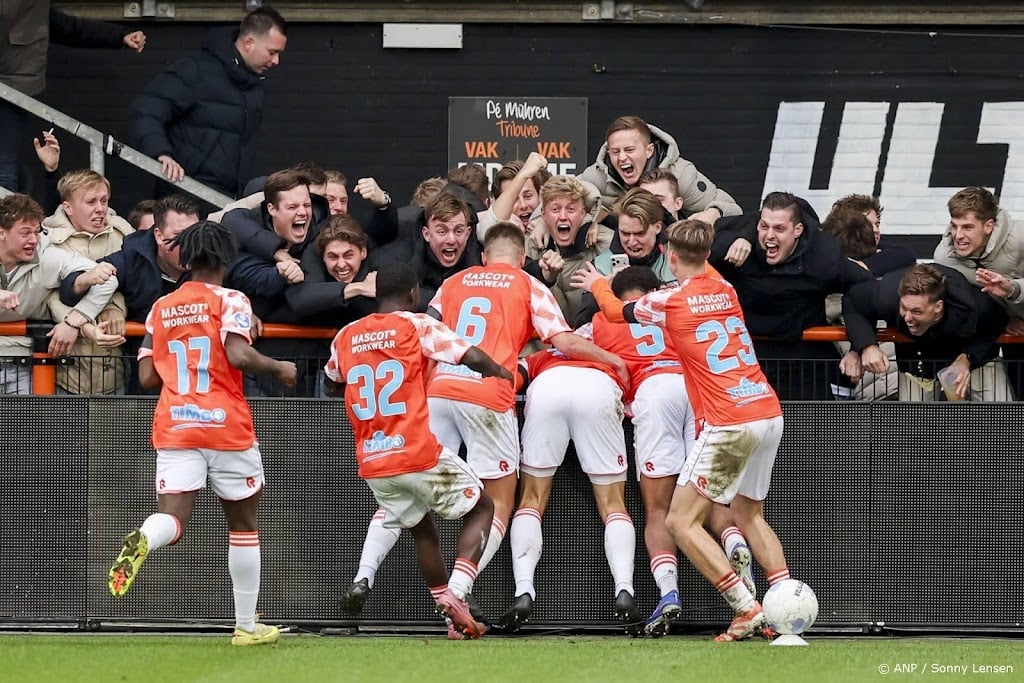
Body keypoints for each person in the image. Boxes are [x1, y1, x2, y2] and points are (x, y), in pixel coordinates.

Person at [339, 222, 627, 623]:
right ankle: (458, 590)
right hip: (486, 395)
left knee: (404, 495)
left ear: (485, 256)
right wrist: (611, 359)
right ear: (521, 258)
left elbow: (421, 326)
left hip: (437, 393)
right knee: (499, 503)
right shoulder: (528, 284)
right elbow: (561, 340)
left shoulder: (453, 282)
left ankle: (364, 575)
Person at [573, 219, 794, 643]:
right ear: (707, 257)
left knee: (679, 520)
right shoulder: (725, 290)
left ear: (670, 257)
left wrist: (602, 281)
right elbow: (700, 268)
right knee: (748, 513)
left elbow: (616, 311)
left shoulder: (668, 300)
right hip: (767, 410)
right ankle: (787, 604)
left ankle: (747, 607)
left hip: (729, 418)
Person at [106, 220, 297, 648]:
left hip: (175, 424)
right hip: (226, 425)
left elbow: (147, 376)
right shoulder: (232, 299)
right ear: (226, 259)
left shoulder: (160, 307)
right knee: (244, 527)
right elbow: (238, 354)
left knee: (173, 518)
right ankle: (246, 627)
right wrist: (279, 367)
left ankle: (144, 537)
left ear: (186, 259)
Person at [323, 261, 513, 639]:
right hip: (415, 448)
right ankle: (457, 593)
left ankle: (448, 614)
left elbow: (332, 382)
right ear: (413, 295)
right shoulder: (415, 324)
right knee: (483, 507)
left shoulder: (346, 335)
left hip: (374, 459)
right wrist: (499, 371)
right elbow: (468, 354)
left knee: (421, 529)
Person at [574, 266, 695, 636]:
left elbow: (563, 346)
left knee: (658, 508)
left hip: (653, 394)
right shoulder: (675, 313)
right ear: (655, 292)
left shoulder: (598, 321)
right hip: (698, 394)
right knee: (719, 502)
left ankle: (668, 591)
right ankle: (747, 592)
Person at [504, 339, 640, 635]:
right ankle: (624, 588)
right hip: (597, 389)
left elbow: (511, 379)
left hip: (547, 389)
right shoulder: (610, 352)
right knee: (613, 504)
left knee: (531, 499)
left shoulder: (542, 355)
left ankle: (524, 590)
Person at [709, 191, 872, 399]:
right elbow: (694, 254)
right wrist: (739, 237)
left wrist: (859, 347)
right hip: (748, 364)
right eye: (764, 226)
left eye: (779, 229)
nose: (770, 236)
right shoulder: (736, 247)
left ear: (797, 230)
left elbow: (866, 288)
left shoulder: (822, 257)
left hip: (804, 366)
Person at [131, 6, 287, 199]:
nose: (276, 61)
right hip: (184, 196)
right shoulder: (195, 71)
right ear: (249, 43)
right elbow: (147, 110)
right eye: (272, 52)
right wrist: (161, 154)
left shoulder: (253, 87)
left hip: (226, 200)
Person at [0, 3, 145, 191]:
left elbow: (69, 28)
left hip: (12, 96)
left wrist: (120, 36)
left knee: (6, 176)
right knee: (5, 175)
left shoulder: (34, 8)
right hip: (11, 91)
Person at [0, 193, 123, 393]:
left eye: (37, 231)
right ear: (1, 233)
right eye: (25, 233)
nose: (33, 240)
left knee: (24, 424)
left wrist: (74, 321)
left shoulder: (46, 255)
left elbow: (109, 278)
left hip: (19, 363)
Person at [838, 263, 1009, 402]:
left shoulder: (975, 305)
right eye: (904, 308)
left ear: (938, 307)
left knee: (1002, 420)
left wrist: (967, 358)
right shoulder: (886, 295)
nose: (908, 317)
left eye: (917, 311)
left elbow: (998, 322)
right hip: (917, 362)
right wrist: (866, 346)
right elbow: (852, 300)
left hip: (974, 359)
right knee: (914, 430)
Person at [42, 169, 133, 394]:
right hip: (64, 375)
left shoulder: (123, 235)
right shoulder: (47, 239)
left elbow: (134, 286)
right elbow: (49, 295)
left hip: (115, 371)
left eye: (104, 201)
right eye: (91, 202)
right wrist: (78, 325)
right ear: (68, 207)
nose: (100, 209)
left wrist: (115, 308)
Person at [932, 187, 1022, 400]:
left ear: (989, 226)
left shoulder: (1021, 237)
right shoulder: (945, 258)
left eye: (968, 227)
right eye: (954, 226)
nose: (958, 236)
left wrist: (1013, 289)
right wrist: (1005, 318)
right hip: (1012, 334)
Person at [821, 199, 915, 401]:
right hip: (872, 384)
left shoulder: (891, 258)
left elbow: (905, 254)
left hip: (900, 380)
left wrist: (863, 267)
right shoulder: (828, 275)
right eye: (867, 225)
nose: (875, 230)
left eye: (877, 224)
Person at [577, 115, 741, 226]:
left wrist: (713, 212)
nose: (621, 158)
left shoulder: (680, 175)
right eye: (615, 152)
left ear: (649, 151)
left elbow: (733, 209)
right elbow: (559, 196)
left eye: (629, 150)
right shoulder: (598, 176)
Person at [369, 192, 482, 312]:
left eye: (458, 231)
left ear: (468, 233)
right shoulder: (399, 257)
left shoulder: (482, 261)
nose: (451, 240)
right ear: (426, 234)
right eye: (442, 232)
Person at [525, 176, 613, 323]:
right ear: (543, 215)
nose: (563, 216)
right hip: (547, 339)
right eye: (555, 209)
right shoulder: (531, 244)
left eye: (571, 209)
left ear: (583, 213)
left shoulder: (604, 241)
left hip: (594, 336)